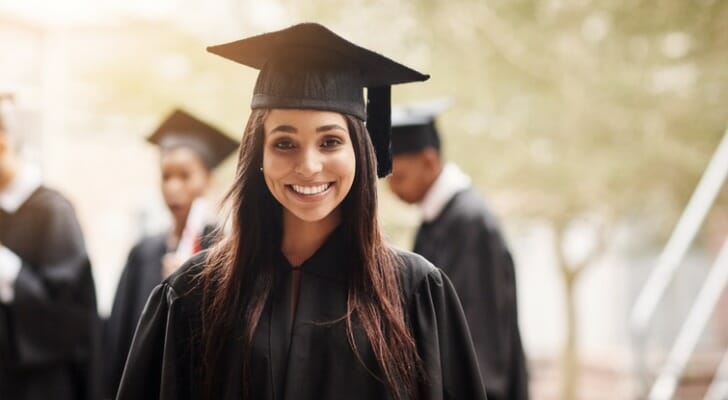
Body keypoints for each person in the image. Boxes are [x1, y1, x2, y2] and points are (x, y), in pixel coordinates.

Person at [116, 23, 486, 400]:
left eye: (330, 141)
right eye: (285, 143)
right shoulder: (194, 294)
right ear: (258, 155)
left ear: (359, 150)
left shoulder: (414, 292)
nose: (309, 166)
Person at [387, 99, 530, 400]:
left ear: (428, 161)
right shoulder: (439, 219)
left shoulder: (469, 223)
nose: (392, 189)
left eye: (399, 177)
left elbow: (481, 336)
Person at [103, 108, 239, 398]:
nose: (173, 187)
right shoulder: (144, 252)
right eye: (166, 176)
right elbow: (119, 337)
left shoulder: (224, 251)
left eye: (185, 175)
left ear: (208, 179)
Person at [0, 96, 100, 399]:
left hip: (41, 385)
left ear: (3, 145)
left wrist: (7, 271)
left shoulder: (54, 212)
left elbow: (68, 315)